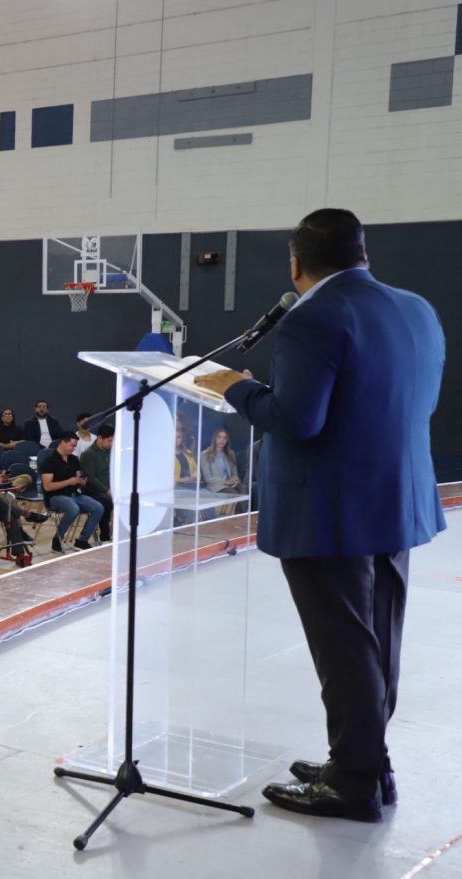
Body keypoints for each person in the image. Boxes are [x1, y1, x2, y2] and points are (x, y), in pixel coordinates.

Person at [194, 208, 445, 822]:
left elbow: (296, 420)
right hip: (395, 499)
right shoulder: (416, 308)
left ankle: (353, 782)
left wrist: (235, 387)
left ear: (295, 263)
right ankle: (368, 763)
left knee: (345, 648)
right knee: (377, 639)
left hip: (328, 511)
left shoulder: (313, 317)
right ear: (363, 253)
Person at [40, 432, 104, 553]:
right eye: (72, 445)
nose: (73, 448)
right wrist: (69, 481)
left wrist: (81, 481)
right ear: (62, 443)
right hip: (55, 496)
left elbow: (77, 478)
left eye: (75, 446)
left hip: (74, 494)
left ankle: (82, 540)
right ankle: (57, 539)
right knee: (73, 508)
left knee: (98, 507)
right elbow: (47, 487)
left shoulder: (73, 459)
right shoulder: (50, 461)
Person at [79, 424, 115, 543]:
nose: (111, 444)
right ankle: (105, 534)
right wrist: (107, 491)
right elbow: (91, 478)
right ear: (99, 438)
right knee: (106, 500)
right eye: (109, 441)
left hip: (110, 487)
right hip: (93, 490)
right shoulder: (88, 454)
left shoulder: (111, 452)